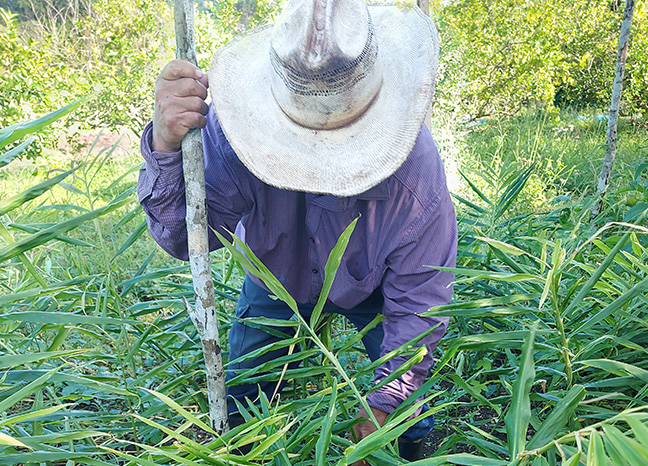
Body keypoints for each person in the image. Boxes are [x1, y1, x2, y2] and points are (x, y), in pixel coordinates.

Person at [138, 0, 457, 461]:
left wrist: (384, 406)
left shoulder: (416, 177)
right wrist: (167, 146)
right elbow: (185, 240)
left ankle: (409, 450)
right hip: (275, 278)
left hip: (372, 289)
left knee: (406, 412)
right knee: (246, 393)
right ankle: (246, 451)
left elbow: (420, 302)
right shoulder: (234, 134)